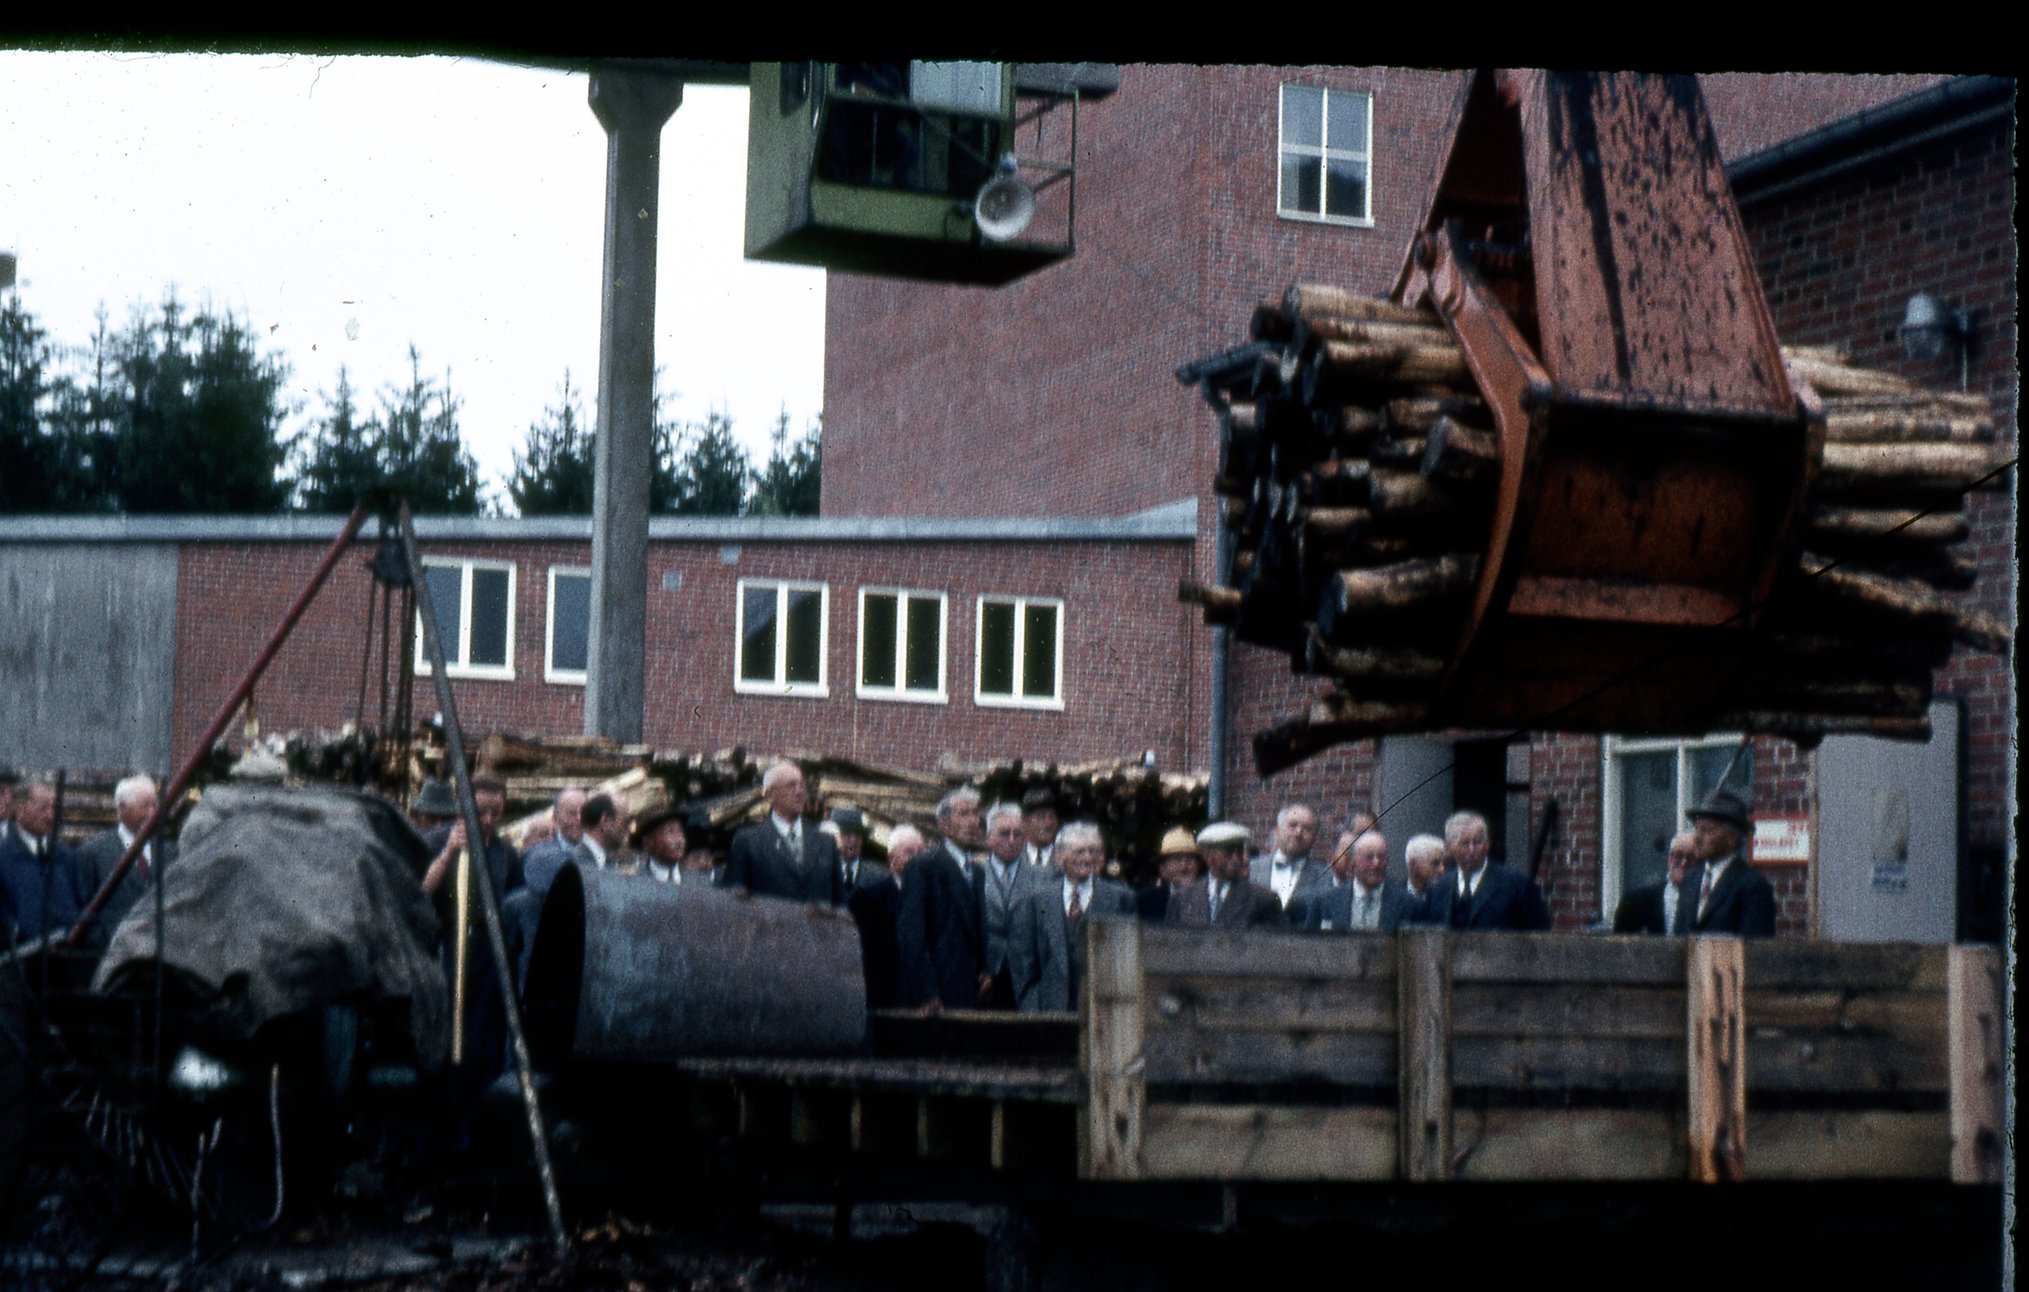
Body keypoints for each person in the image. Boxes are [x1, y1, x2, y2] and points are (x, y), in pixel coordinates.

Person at [1010, 822, 1136, 1011]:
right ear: (1060, 857)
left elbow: (1128, 963)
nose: (1087, 858)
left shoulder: (1121, 900)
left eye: (1094, 852)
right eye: (1079, 852)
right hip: (1049, 1017)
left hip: (1104, 1014)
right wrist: (1034, 1011)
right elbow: (1024, 969)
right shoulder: (1036, 902)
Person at [896, 787, 987, 1010]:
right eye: (963, 814)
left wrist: (985, 971)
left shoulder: (977, 872)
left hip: (972, 993)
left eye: (975, 814)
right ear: (943, 824)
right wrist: (927, 992)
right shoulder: (923, 867)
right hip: (939, 994)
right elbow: (912, 936)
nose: (972, 821)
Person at [73, 774, 175, 944]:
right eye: (144, 806)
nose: (152, 813)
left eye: (154, 806)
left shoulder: (169, 852)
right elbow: (82, 910)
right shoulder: (93, 853)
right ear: (122, 808)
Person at [720, 762, 839, 903]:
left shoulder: (826, 843)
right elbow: (733, 900)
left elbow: (840, 905)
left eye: (802, 785)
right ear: (770, 794)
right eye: (791, 785)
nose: (799, 792)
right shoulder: (748, 841)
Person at [1420, 809, 1550, 931]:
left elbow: (1538, 937)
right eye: (1464, 843)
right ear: (1449, 848)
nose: (1472, 850)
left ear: (1487, 845)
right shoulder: (1437, 890)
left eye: (1477, 842)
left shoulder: (1517, 886)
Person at [977, 801, 1049, 1009]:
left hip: (1028, 977)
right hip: (987, 976)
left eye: (1018, 834)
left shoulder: (1043, 878)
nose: (1011, 840)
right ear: (988, 837)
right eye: (1004, 833)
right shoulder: (975, 875)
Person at [0, 779, 88, 942]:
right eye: (42, 809)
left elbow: (80, 905)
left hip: (64, 957)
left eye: (54, 808)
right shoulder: (4, 857)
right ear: (20, 808)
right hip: (19, 961)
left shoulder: (65, 856)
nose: (50, 816)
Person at [1682, 789, 1776, 937]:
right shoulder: (1690, 879)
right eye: (1697, 829)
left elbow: (1755, 949)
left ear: (1731, 839)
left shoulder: (1752, 886)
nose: (1697, 838)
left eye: (1706, 831)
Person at [1290, 827, 1414, 932]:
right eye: (1369, 857)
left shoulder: (1408, 903)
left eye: (1381, 857)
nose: (1376, 864)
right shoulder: (1325, 903)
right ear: (1354, 861)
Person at [1170, 822, 1286, 929]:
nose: (1236, 859)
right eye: (1228, 853)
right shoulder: (1183, 897)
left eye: (1239, 852)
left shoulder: (1262, 899)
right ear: (1207, 855)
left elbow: (1277, 944)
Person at [1615, 830, 1698, 935]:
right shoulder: (1635, 902)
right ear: (1669, 859)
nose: (1684, 862)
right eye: (1678, 855)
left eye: (1691, 858)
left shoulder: (1706, 904)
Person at [1250, 803, 1326, 909]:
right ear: (1278, 830)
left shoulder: (1325, 876)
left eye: (1307, 829)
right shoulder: (1251, 868)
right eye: (1293, 825)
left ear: (1315, 837)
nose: (1298, 833)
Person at [519, 787, 588, 898]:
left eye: (584, 813)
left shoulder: (599, 853)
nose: (579, 819)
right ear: (555, 818)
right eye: (572, 813)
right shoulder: (538, 857)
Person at [1137, 826, 1203, 922]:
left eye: (1190, 859)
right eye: (1177, 859)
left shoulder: (1210, 899)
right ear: (1163, 868)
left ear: (1198, 865)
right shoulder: (1146, 900)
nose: (1184, 866)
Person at [635, 804, 691, 884]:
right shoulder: (636, 883)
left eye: (680, 831)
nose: (679, 840)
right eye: (670, 832)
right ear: (647, 842)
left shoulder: (699, 880)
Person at [1020, 788, 1061, 869]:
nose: (1048, 824)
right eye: (1041, 817)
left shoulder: (1066, 861)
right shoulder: (1012, 859)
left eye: (1052, 816)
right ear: (1024, 821)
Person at [1403, 832, 1448, 906]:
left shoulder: (1449, 899)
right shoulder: (1393, 898)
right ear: (1413, 865)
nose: (1442, 870)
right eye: (1435, 864)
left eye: (1444, 864)